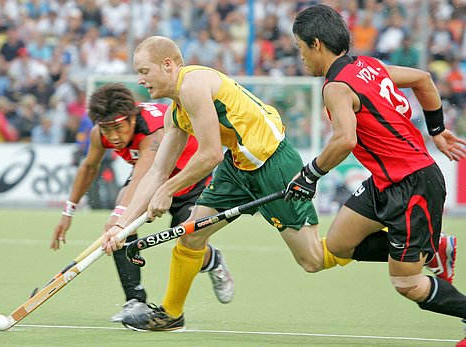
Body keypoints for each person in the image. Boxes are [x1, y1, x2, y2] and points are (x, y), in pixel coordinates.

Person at [101, 35, 457, 333]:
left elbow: (206, 154)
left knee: (313, 259)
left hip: (274, 163)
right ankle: (171, 313)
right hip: (238, 168)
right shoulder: (175, 111)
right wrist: (121, 224)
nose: (142, 79)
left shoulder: (193, 84)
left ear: (168, 65)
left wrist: (165, 191)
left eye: (144, 71)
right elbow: (155, 174)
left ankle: (429, 247)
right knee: (192, 232)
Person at [288, 4, 466, 344]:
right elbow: (422, 80)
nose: (301, 58)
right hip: (386, 182)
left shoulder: (335, 86)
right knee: (339, 244)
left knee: (407, 284)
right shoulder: (369, 66)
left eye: (300, 49)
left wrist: (310, 174)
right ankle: (433, 247)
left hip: (415, 184)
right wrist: (437, 129)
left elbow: (344, 139)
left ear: (316, 45)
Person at [51, 83, 234, 323]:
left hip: (189, 182)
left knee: (188, 242)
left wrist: (120, 217)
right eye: (107, 129)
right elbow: (89, 167)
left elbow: (143, 177)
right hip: (150, 178)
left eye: (118, 127)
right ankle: (135, 301)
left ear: (132, 117)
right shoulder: (100, 134)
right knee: (120, 227)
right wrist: (68, 212)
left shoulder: (153, 132)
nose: (113, 137)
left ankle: (213, 261)